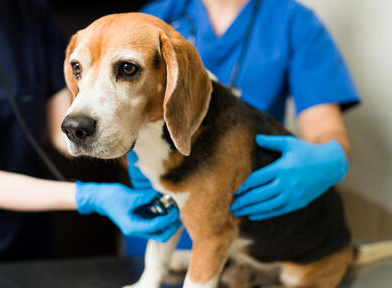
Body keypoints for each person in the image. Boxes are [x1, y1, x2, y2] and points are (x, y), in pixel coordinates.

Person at [0, 0, 181, 269]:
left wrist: (169, 165)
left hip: (27, 245)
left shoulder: (25, 13)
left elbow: (65, 130)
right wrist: (92, 196)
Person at [125, 0, 360, 254]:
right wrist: (136, 161)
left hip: (248, 233)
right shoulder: (156, 17)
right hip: (163, 227)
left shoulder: (294, 22)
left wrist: (329, 158)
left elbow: (324, 129)